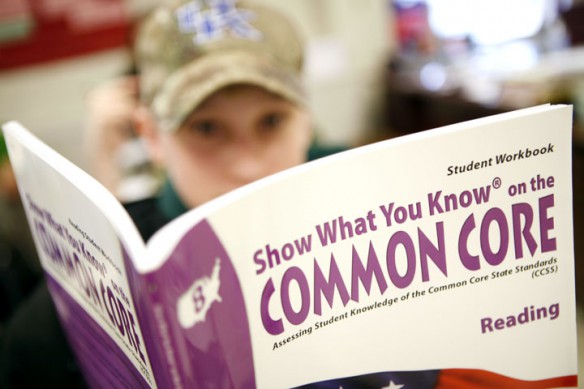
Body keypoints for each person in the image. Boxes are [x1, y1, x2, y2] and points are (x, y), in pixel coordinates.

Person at [0, 1, 336, 387]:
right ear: (151, 136)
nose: (249, 166)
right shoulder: (102, 281)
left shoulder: (364, 208)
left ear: (306, 122)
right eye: (207, 128)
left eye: (271, 121)